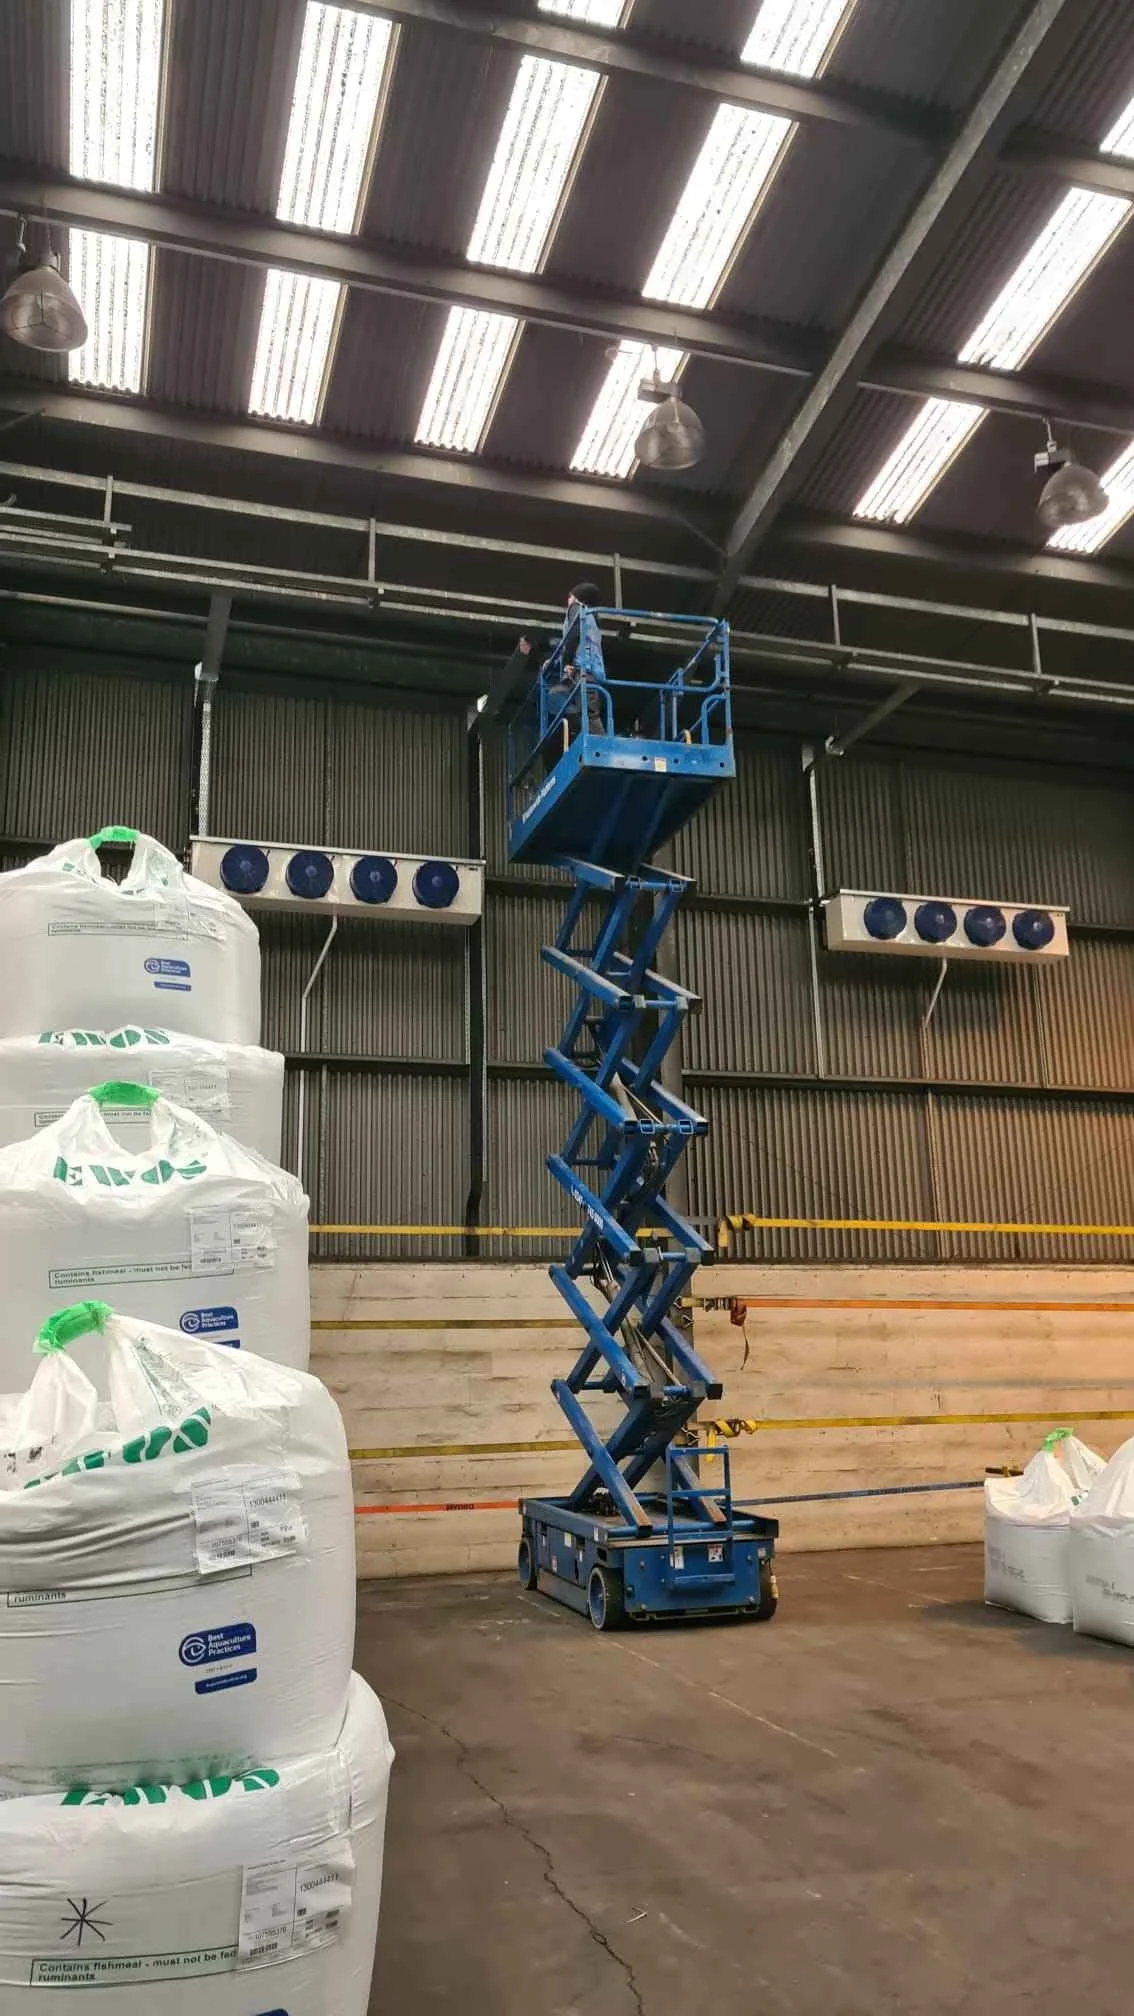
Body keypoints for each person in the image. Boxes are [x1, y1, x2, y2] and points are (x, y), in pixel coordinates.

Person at [548, 582, 607, 743]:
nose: (568, 600)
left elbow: (573, 636)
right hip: (592, 671)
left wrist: (566, 662)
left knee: (588, 714)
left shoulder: (576, 609)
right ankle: (590, 741)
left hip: (582, 670)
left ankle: (601, 747)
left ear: (576, 598)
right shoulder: (592, 618)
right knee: (583, 711)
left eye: (570, 596)